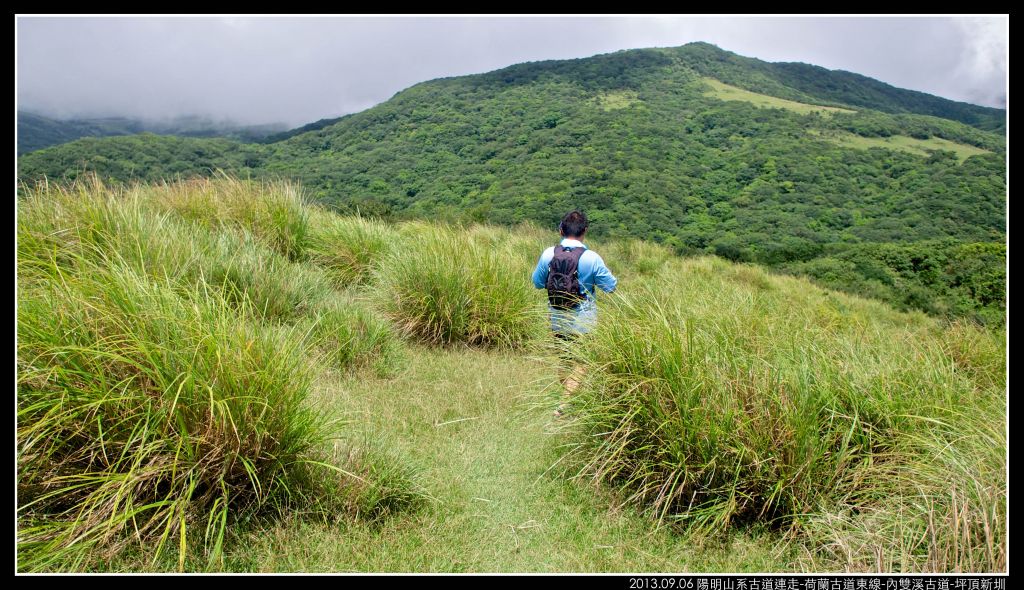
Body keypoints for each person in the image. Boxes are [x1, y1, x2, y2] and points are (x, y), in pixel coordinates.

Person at [531, 210, 617, 416]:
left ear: (561, 229)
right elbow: (611, 287)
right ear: (585, 231)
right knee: (583, 363)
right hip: (583, 321)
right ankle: (564, 406)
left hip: (557, 318)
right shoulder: (592, 258)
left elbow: (536, 283)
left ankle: (569, 402)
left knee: (565, 360)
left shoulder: (548, 254)